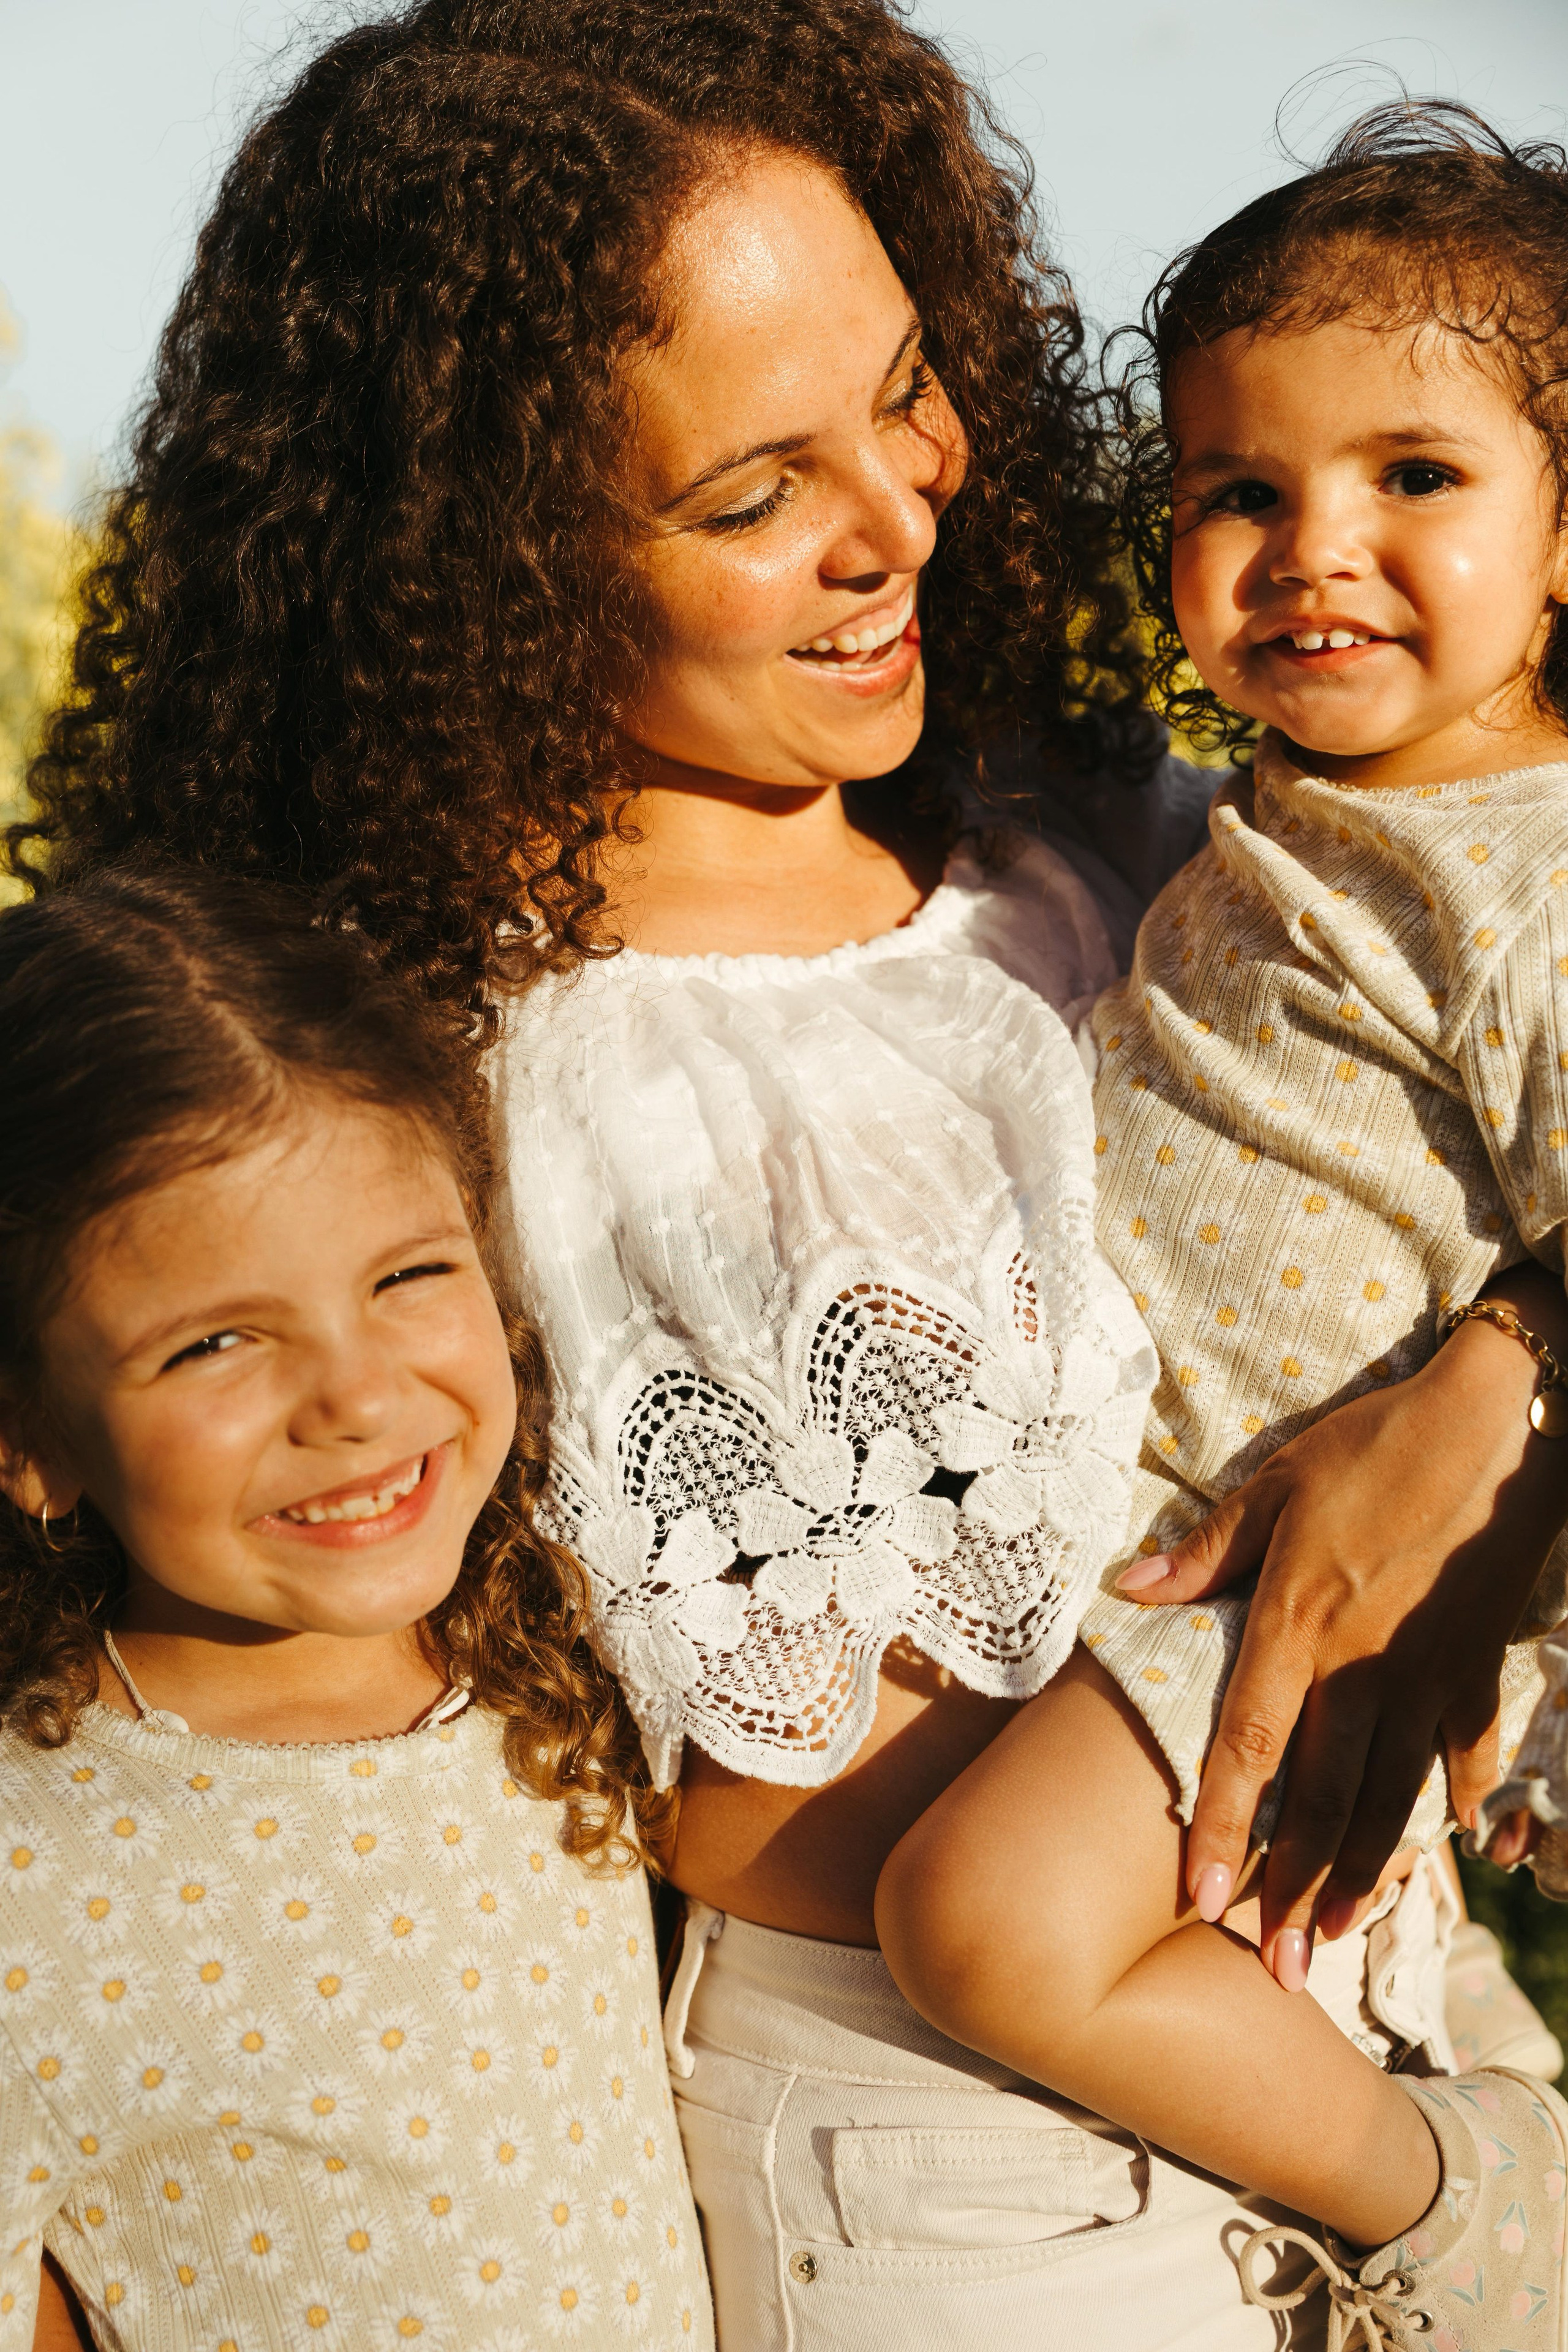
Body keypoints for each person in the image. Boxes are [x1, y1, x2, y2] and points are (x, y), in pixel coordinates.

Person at [15, 9, 1568, 2343]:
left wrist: (1498, 1384)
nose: (894, 523)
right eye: (750, 495)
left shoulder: (1151, 855)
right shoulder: (379, 1067)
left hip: (1388, 2050)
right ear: (480, 544)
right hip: (938, 2177)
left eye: (909, 391)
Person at [875, 104, 1568, 2350]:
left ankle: (1468, 2212)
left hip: (1266, 1562)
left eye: (1415, 479)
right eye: (1239, 493)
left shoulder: (1535, 875)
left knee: (981, 1923)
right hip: (1148, 1528)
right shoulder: (1288, 815)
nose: (1312, 548)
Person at [0, 870, 710, 2351]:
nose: (361, 1398)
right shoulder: (33, 1871)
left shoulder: (557, 1653)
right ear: (30, 1439)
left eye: (406, 1276)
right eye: (214, 1344)